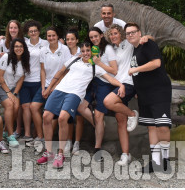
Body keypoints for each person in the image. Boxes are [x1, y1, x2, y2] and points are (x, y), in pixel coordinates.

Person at [36, 41, 124, 169]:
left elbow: (110, 78)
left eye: (88, 51)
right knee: (46, 116)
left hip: (75, 94)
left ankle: (60, 154)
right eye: (83, 51)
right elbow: (59, 73)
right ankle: (48, 152)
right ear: (80, 52)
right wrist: (49, 89)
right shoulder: (74, 60)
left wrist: (121, 85)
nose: (85, 53)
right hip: (60, 89)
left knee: (62, 118)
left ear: (92, 52)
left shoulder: (96, 67)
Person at [126, 22, 173, 173]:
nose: (131, 35)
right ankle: (155, 162)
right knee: (151, 127)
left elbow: (156, 63)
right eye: (128, 33)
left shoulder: (148, 44)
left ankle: (165, 161)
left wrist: (135, 69)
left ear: (140, 33)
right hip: (144, 93)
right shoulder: (135, 50)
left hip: (159, 91)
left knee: (162, 125)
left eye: (133, 32)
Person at [102, 23, 145, 166]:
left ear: (121, 34)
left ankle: (133, 114)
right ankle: (126, 155)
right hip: (117, 85)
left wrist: (146, 38)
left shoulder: (129, 44)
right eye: (111, 34)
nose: (113, 36)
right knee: (121, 122)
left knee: (108, 102)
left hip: (128, 83)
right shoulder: (111, 49)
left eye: (115, 33)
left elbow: (145, 38)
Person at [74, 26, 118, 161]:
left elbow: (114, 70)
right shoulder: (92, 49)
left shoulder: (108, 49)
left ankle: (97, 148)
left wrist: (99, 63)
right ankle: (97, 124)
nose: (94, 39)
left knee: (99, 115)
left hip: (105, 83)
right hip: (92, 82)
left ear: (101, 35)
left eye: (96, 36)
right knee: (80, 107)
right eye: (91, 37)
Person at [28, 26, 70, 152]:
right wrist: (43, 88)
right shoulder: (43, 50)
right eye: (49, 36)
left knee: (50, 113)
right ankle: (40, 137)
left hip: (60, 85)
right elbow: (42, 70)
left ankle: (48, 142)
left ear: (58, 36)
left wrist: (54, 87)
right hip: (46, 85)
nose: (51, 38)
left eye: (53, 35)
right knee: (33, 107)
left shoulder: (65, 50)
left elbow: (66, 71)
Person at [0, 38, 29, 147]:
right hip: (0, 85)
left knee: (16, 107)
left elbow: (21, 78)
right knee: (10, 105)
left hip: (14, 88)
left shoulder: (24, 59)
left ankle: (5, 132)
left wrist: (14, 93)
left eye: (21, 46)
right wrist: (8, 93)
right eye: (16, 46)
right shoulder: (6, 57)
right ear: (12, 48)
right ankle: (11, 135)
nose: (18, 48)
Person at [20, 20, 46, 147]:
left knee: (35, 108)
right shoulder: (24, 44)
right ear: (28, 33)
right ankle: (28, 134)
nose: (33, 33)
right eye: (31, 31)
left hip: (38, 81)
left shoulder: (45, 43)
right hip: (25, 80)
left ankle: (38, 135)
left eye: (35, 31)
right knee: (25, 107)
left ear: (39, 31)